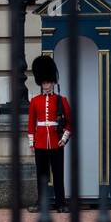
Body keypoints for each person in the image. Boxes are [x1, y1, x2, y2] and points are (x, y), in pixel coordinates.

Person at [27, 54, 73, 213]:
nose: (46, 85)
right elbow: (31, 123)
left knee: (58, 174)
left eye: (49, 82)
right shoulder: (35, 101)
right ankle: (41, 202)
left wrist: (64, 139)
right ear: (41, 83)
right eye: (44, 82)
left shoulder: (62, 100)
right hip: (40, 142)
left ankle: (61, 203)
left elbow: (69, 122)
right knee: (42, 175)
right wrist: (31, 142)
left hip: (56, 141)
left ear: (53, 82)